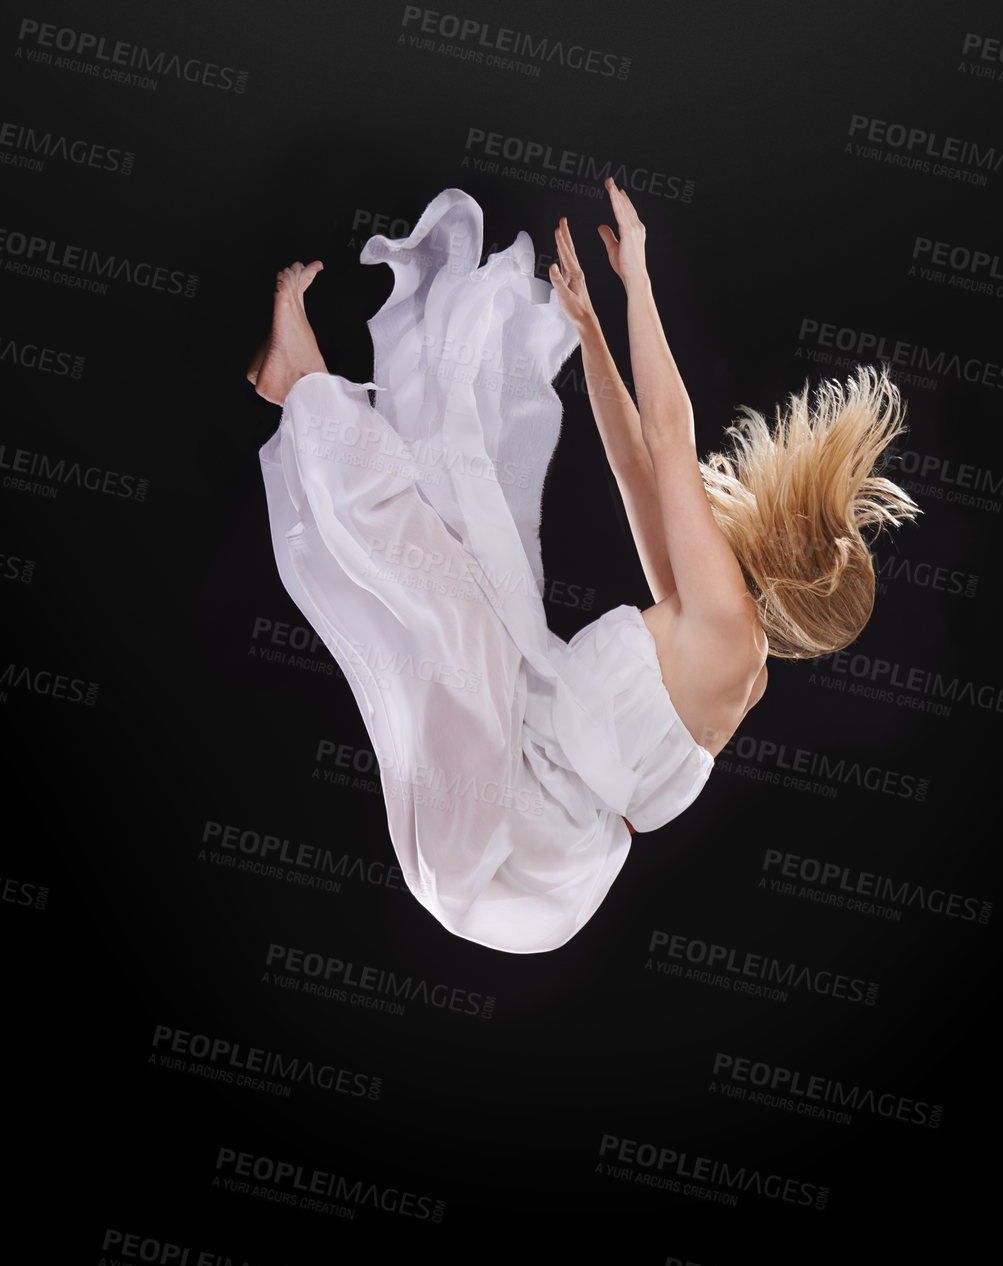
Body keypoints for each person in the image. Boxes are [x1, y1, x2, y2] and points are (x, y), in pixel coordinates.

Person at [248, 181, 921, 953]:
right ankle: (303, 397)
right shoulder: (721, 632)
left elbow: (671, 436)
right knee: (465, 555)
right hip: (535, 826)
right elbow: (639, 469)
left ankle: (305, 391)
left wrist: (637, 276)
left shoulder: (731, 631)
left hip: (514, 828)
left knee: (449, 596)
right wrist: (592, 332)